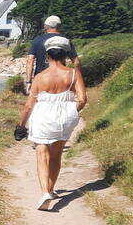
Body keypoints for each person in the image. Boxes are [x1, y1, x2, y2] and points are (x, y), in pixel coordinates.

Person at [16, 36, 87, 211]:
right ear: (65, 55)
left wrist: (21, 125)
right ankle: (52, 188)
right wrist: (71, 111)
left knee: (42, 153)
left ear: (47, 55)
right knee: (56, 154)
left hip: (43, 117)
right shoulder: (73, 73)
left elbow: (28, 105)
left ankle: (45, 192)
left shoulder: (40, 77)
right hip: (65, 118)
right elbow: (83, 99)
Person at [26, 15, 79, 93]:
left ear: (45, 27)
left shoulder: (37, 40)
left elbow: (30, 61)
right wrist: (77, 79)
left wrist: (28, 81)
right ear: (59, 26)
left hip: (41, 78)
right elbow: (76, 62)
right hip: (61, 78)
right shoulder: (65, 41)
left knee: (40, 102)